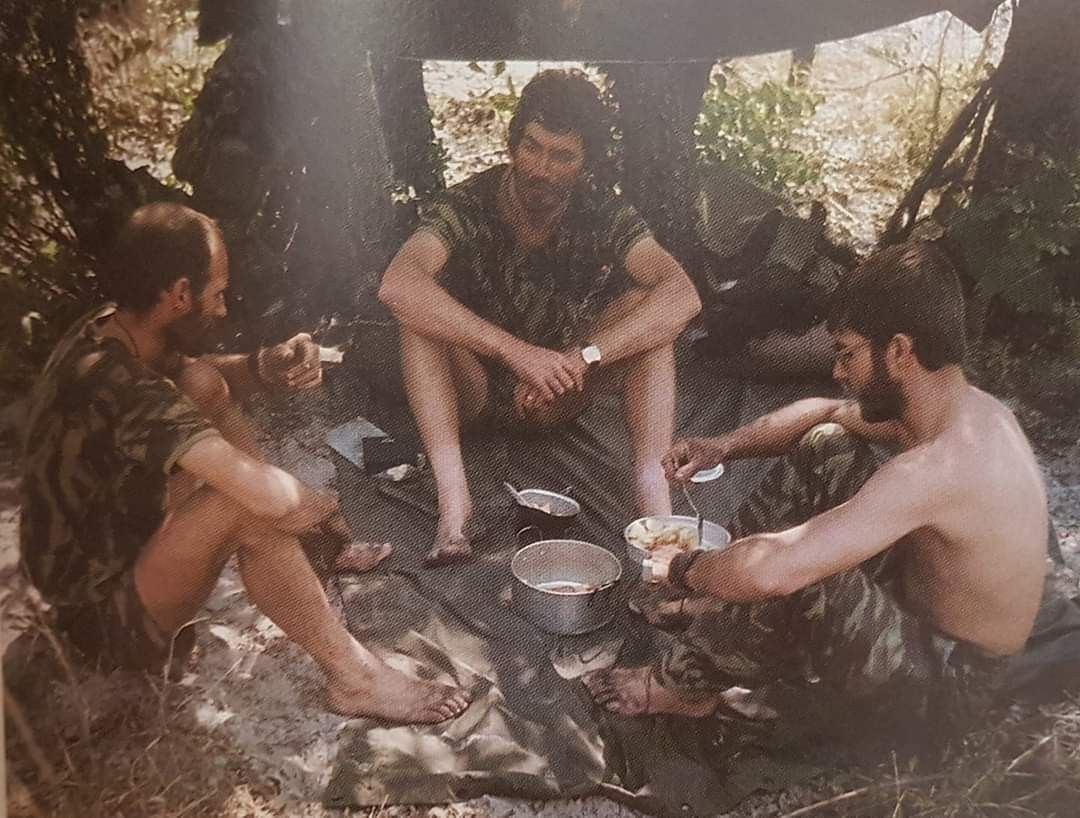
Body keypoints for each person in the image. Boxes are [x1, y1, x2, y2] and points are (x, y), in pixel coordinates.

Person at [19, 203, 470, 724]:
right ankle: (355, 679)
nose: (223, 309)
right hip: (98, 621)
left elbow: (191, 375)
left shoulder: (115, 328)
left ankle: (305, 550)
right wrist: (320, 509)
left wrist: (263, 368)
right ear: (180, 294)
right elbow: (262, 495)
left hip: (113, 551)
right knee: (246, 505)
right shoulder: (118, 386)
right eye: (217, 293)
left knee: (203, 385)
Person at [585, 241, 1047, 739]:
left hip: (955, 689)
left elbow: (774, 570)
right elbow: (826, 413)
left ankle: (682, 686)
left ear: (898, 350)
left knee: (804, 572)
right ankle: (719, 610)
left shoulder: (939, 466)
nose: (837, 371)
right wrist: (723, 446)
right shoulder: (951, 408)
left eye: (848, 353)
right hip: (920, 606)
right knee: (829, 445)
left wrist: (685, 567)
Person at [378, 69, 702, 565]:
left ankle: (656, 514)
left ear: (587, 163)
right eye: (532, 148)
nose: (542, 169)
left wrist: (583, 357)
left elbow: (682, 296)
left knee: (651, 313)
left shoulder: (602, 211)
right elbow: (397, 284)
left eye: (562, 156)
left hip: (558, 390)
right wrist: (514, 352)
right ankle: (455, 510)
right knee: (417, 313)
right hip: (472, 389)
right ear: (513, 144)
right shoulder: (468, 203)